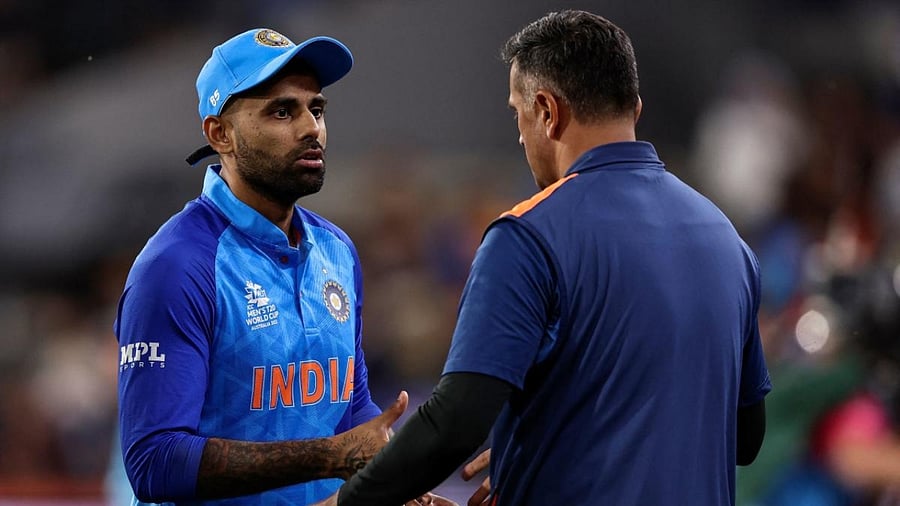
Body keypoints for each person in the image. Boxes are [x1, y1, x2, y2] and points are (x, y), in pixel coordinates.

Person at [327, 10, 771, 506]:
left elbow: (455, 423)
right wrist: (543, 447)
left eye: (517, 112)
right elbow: (745, 437)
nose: (519, 135)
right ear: (635, 109)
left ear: (546, 110)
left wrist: (351, 503)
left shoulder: (528, 235)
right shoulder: (727, 239)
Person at [115, 28, 453, 506]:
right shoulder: (177, 266)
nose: (311, 128)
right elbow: (155, 463)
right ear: (220, 134)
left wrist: (398, 486)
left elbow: (350, 408)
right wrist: (329, 457)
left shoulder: (337, 250)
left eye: (316, 109)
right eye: (281, 111)